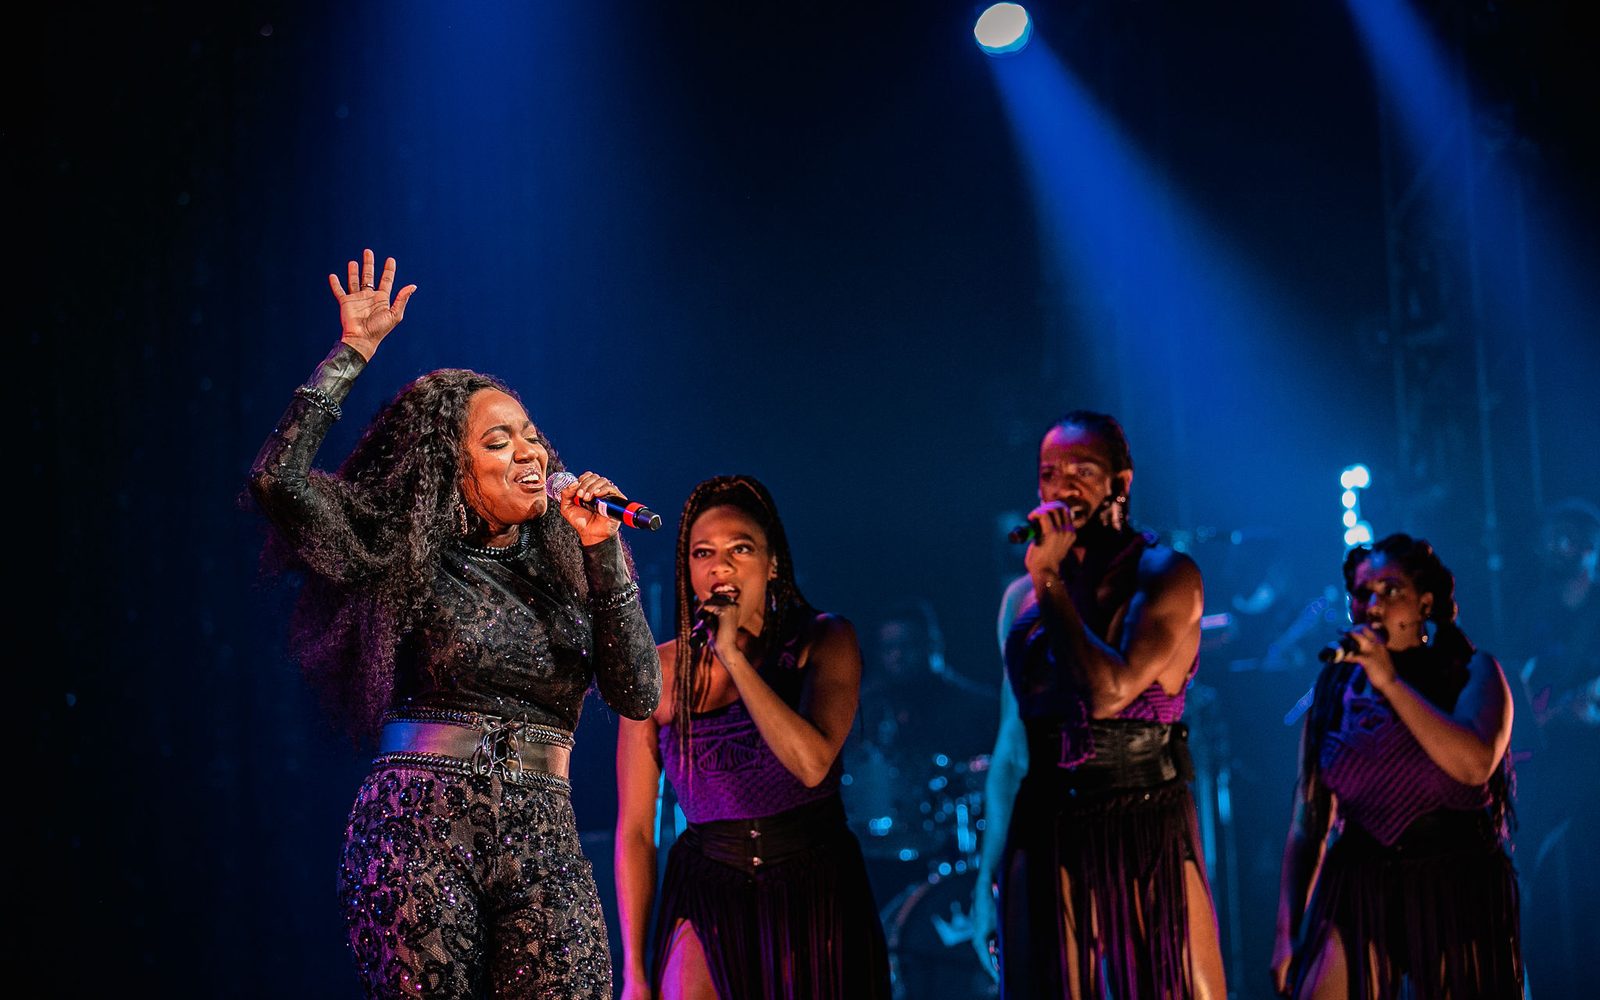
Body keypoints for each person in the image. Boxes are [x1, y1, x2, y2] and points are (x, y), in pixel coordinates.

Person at [247, 249, 660, 998]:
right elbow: (277, 481)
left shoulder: (569, 567)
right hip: (420, 829)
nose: (529, 451)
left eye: (531, 435)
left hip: (545, 836)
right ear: (451, 470)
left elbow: (638, 694)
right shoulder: (404, 555)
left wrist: (605, 551)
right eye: (498, 442)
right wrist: (352, 354)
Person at [970, 411, 1226, 999]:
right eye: (1049, 473)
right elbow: (1011, 750)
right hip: (1046, 821)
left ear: (1121, 482)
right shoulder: (1021, 600)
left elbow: (1109, 694)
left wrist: (1050, 579)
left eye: (1081, 471)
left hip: (1140, 813)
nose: (1062, 486)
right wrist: (988, 877)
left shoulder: (1164, 575)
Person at [613, 475, 891, 999]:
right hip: (706, 884)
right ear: (688, 569)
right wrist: (634, 971)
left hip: (811, 883)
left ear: (771, 564)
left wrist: (733, 657)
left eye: (740, 548)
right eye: (703, 553)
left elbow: (811, 764)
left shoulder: (824, 639)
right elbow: (633, 830)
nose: (720, 566)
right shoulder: (659, 671)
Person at [1271, 533, 1521, 999]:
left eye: (1390, 590)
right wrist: (1287, 933)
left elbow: (1474, 765)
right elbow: (1308, 824)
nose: (1374, 605)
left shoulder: (1473, 673)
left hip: (1453, 881)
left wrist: (1389, 681)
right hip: (1360, 881)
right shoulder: (1333, 692)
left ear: (1425, 603)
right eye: (1364, 593)